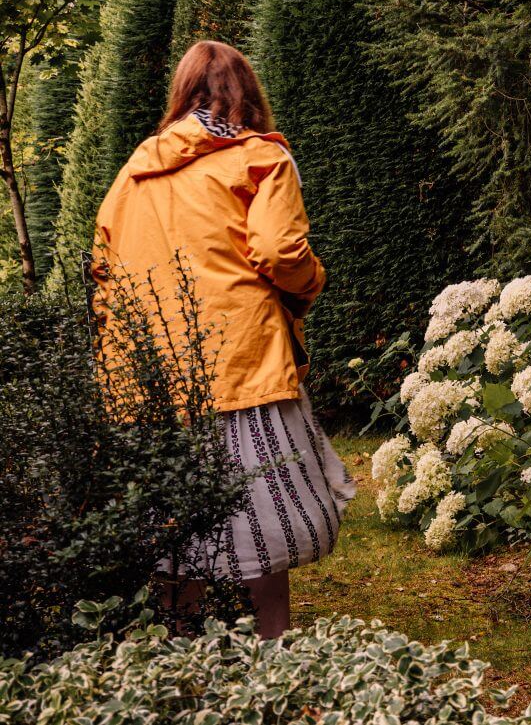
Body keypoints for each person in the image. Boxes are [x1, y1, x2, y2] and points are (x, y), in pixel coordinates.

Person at [92, 40, 355, 638]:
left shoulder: (133, 172)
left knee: (172, 516)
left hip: (151, 374)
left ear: (183, 94)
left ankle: (179, 652)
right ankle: (272, 649)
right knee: (262, 512)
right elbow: (277, 251)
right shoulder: (259, 157)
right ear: (248, 95)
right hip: (242, 361)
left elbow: (102, 272)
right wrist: (310, 283)